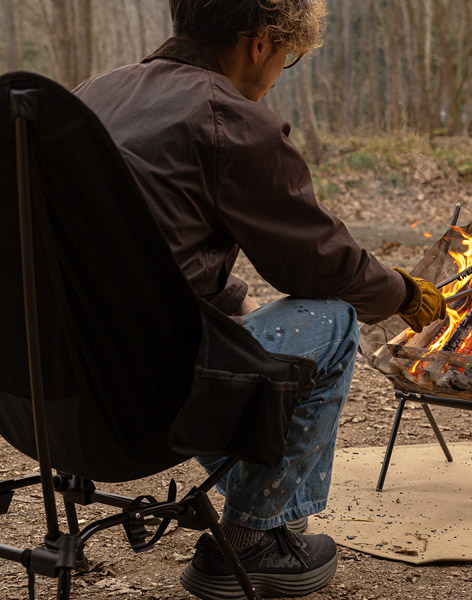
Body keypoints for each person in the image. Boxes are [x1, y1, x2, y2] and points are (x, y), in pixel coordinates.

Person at [73, 1, 445, 598]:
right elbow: (318, 262)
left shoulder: (90, 97)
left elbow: (143, 253)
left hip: (55, 396)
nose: (277, 75)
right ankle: (254, 540)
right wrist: (402, 292)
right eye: (288, 59)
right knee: (331, 318)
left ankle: (277, 519)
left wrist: (234, 300)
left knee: (254, 322)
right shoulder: (227, 117)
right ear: (260, 44)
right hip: (153, 404)